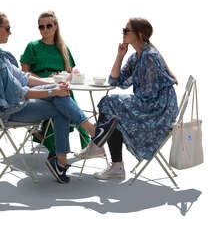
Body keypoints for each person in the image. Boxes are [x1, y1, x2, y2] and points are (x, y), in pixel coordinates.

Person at [0, 7, 119, 184]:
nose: (11, 32)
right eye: (7, 28)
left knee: (60, 97)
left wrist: (52, 84)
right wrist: (53, 91)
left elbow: (23, 78)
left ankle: (68, 156)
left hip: (8, 106)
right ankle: (91, 134)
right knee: (59, 105)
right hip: (7, 111)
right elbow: (18, 93)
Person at [75, 18, 179, 180]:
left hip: (159, 110)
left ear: (139, 34)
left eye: (126, 31)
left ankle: (98, 146)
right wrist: (120, 55)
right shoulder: (136, 56)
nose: (123, 33)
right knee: (113, 112)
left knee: (111, 104)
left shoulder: (149, 57)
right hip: (150, 104)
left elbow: (149, 95)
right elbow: (115, 81)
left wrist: (124, 104)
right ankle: (111, 161)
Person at [20, 11, 90, 159]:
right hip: (40, 86)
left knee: (66, 95)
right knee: (65, 101)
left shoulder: (63, 48)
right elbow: (24, 74)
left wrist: (66, 78)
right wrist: (46, 80)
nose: (45, 29)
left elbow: (71, 72)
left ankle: (84, 145)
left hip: (60, 85)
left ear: (55, 26)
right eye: (41, 27)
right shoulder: (32, 46)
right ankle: (90, 139)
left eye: (48, 26)